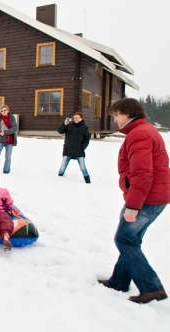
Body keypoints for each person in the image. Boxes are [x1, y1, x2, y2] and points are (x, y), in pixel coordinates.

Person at [98, 98, 170, 304]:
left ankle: (152, 288)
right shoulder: (144, 131)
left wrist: (133, 205)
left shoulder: (140, 135)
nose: (115, 119)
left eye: (116, 115)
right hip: (152, 197)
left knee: (125, 240)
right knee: (131, 240)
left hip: (146, 199)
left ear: (127, 114)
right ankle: (119, 280)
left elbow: (142, 173)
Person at [57, 112, 90, 183]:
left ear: (81, 118)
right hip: (68, 150)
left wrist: (82, 147)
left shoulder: (85, 128)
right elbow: (60, 131)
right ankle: (60, 176)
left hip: (79, 151)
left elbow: (87, 139)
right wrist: (64, 124)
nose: (76, 119)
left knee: (83, 167)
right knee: (63, 166)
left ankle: (87, 180)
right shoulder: (69, 126)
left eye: (78, 118)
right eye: (75, 118)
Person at [0, 105, 17, 174]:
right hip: (0, 140)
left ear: (8, 110)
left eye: (5, 110)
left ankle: (6, 172)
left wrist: (5, 132)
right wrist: (2, 132)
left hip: (10, 140)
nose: (3, 112)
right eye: (2, 111)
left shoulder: (12, 118)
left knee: (8, 158)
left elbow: (14, 128)